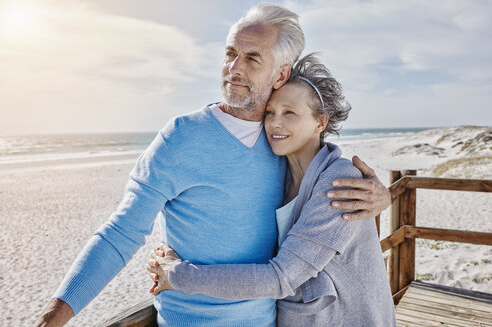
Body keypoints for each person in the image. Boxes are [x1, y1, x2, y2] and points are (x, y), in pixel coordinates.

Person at [35, 4, 391, 327]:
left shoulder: (282, 146)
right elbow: (121, 233)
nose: (234, 68)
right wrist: (56, 314)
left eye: (253, 58)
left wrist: (382, 195)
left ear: (281, 75)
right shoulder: (181, 137)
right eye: (230, 53)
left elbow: (321, 190)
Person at [148, 54, 396, 326]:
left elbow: (282, 277)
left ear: (320, 122)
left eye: (289, 113)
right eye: (270, 113)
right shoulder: (278, 171)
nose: (275, 123)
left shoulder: (340, 181)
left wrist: (178, 275)